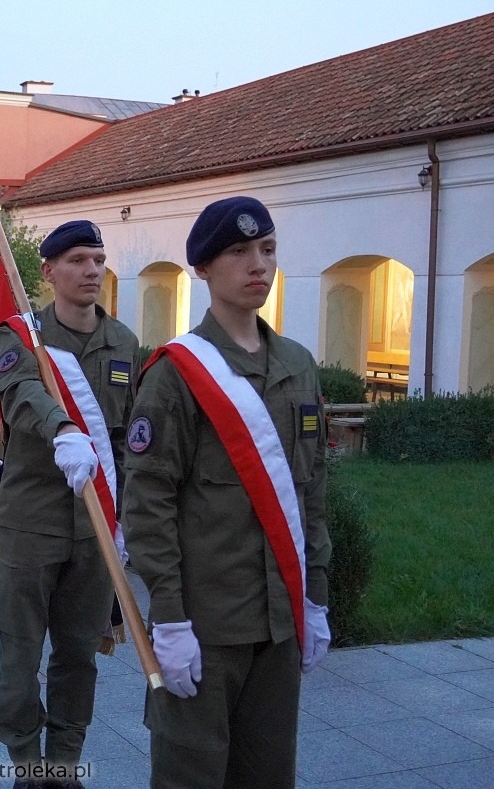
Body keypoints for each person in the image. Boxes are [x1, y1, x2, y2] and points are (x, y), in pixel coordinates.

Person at [122, 197, 332, 789]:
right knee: (191, 777)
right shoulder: (176, 374)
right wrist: (168, 619)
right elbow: (148, 503)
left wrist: (314, 599)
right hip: (204, 627)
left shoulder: (298, 364)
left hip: (279, 623)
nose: (257, 264)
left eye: (266, 249)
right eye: (239, 252)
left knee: (268, 776)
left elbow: (310, 491)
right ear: (204, 270)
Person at [0, 220, 138, 788]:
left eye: (98, 258)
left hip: (96, 526)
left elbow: (126, 435)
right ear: (49, 272)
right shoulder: (19, 336)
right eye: (77, 259)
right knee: (20, 656)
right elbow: (20, 396)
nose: (92, 270)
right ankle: (27, 763)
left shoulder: (122, 341)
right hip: (32, 522)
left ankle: (64, 765)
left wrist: (131, 516)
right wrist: (63, 429)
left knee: (79, 656)